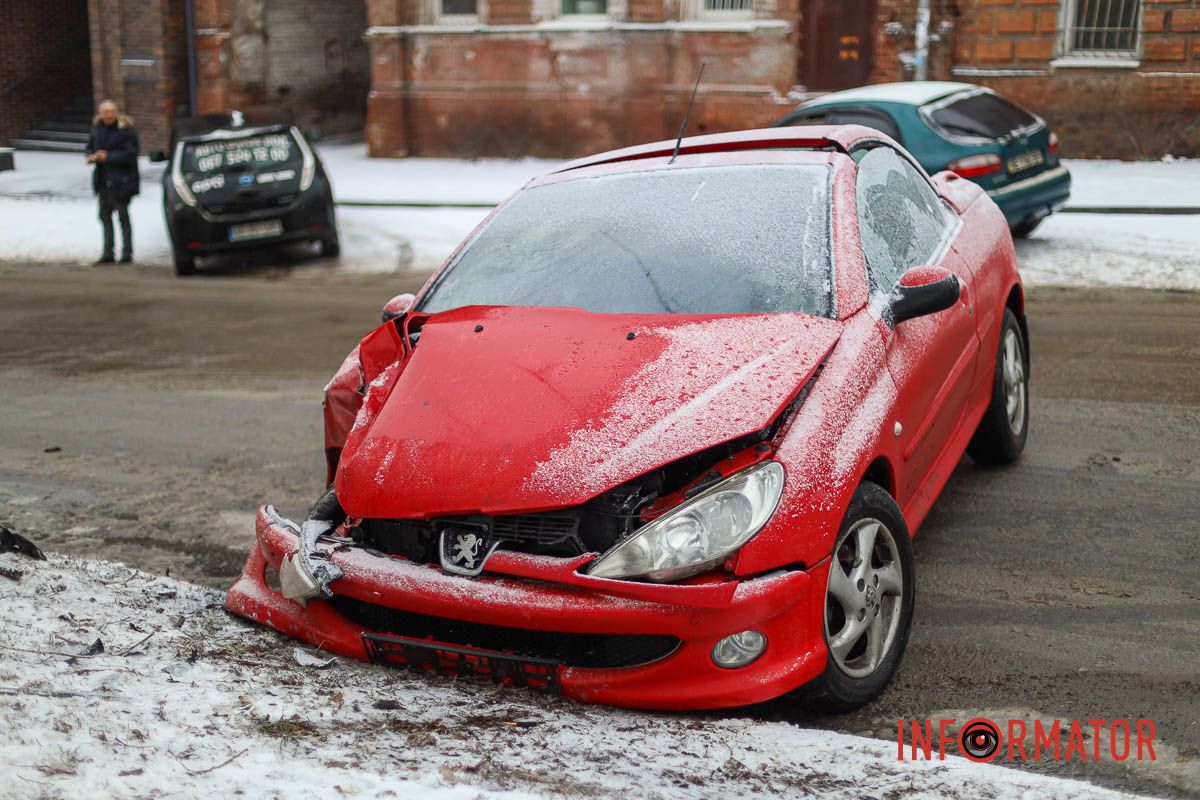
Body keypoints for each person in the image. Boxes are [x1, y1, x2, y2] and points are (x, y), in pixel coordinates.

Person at [85, 100, 140, 264]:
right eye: (105, 112)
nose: (108, 115)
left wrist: (108, 157)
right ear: (100, 113)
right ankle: (108, 252)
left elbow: (131, 154)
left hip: (122, 181)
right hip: (103, 180)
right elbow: (89, 147)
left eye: (111, 111)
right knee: (104, 216)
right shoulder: (97, 130)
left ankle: (127, 253)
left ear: (116, 112)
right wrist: (91, 156)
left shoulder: (126, 131)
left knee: (123, 217)